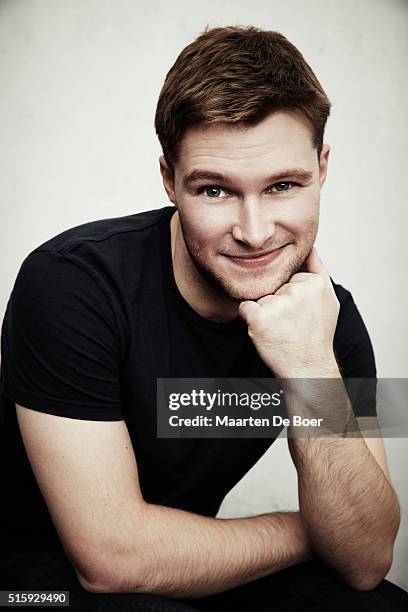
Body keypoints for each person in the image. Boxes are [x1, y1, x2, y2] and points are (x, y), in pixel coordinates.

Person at [0, 24, 407, 611]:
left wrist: (309, 364)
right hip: (30, 585)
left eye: (283, 185)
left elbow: (366, 558)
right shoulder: (68, 283)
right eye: (215, 191)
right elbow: (110, 559)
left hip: (182, 563)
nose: (255, 231)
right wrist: (312, 531)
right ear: (169, 179)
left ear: (322, 168)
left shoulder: (324, 320)